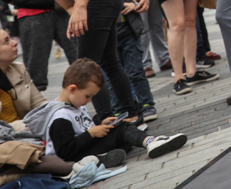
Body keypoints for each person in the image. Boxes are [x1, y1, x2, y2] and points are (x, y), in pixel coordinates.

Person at [24, 58, 187, 164]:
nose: (89, 101)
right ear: (72, 89)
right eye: (88, 96)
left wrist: (99, 123)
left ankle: (99, 159)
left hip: (84, 149)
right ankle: (151, 142)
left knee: (122, 131)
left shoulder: (74, 104)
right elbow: (64, 151)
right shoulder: (60, 117)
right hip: (71, 158)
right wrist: (91, 134)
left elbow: (81, 126)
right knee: (123, 130)